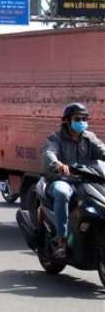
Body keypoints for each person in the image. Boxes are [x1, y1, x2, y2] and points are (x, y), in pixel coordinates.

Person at [42, 102, 105, 258]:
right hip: (63, 179)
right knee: (62, 193)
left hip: (86, 179)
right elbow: (49, 153)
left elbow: (102, 149)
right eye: (78, 118)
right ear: (67, 120)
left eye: (84, 118)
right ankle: (62, 241)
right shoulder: (55, 138)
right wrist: (57, 164)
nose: (82, 122)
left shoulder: (89, 137)